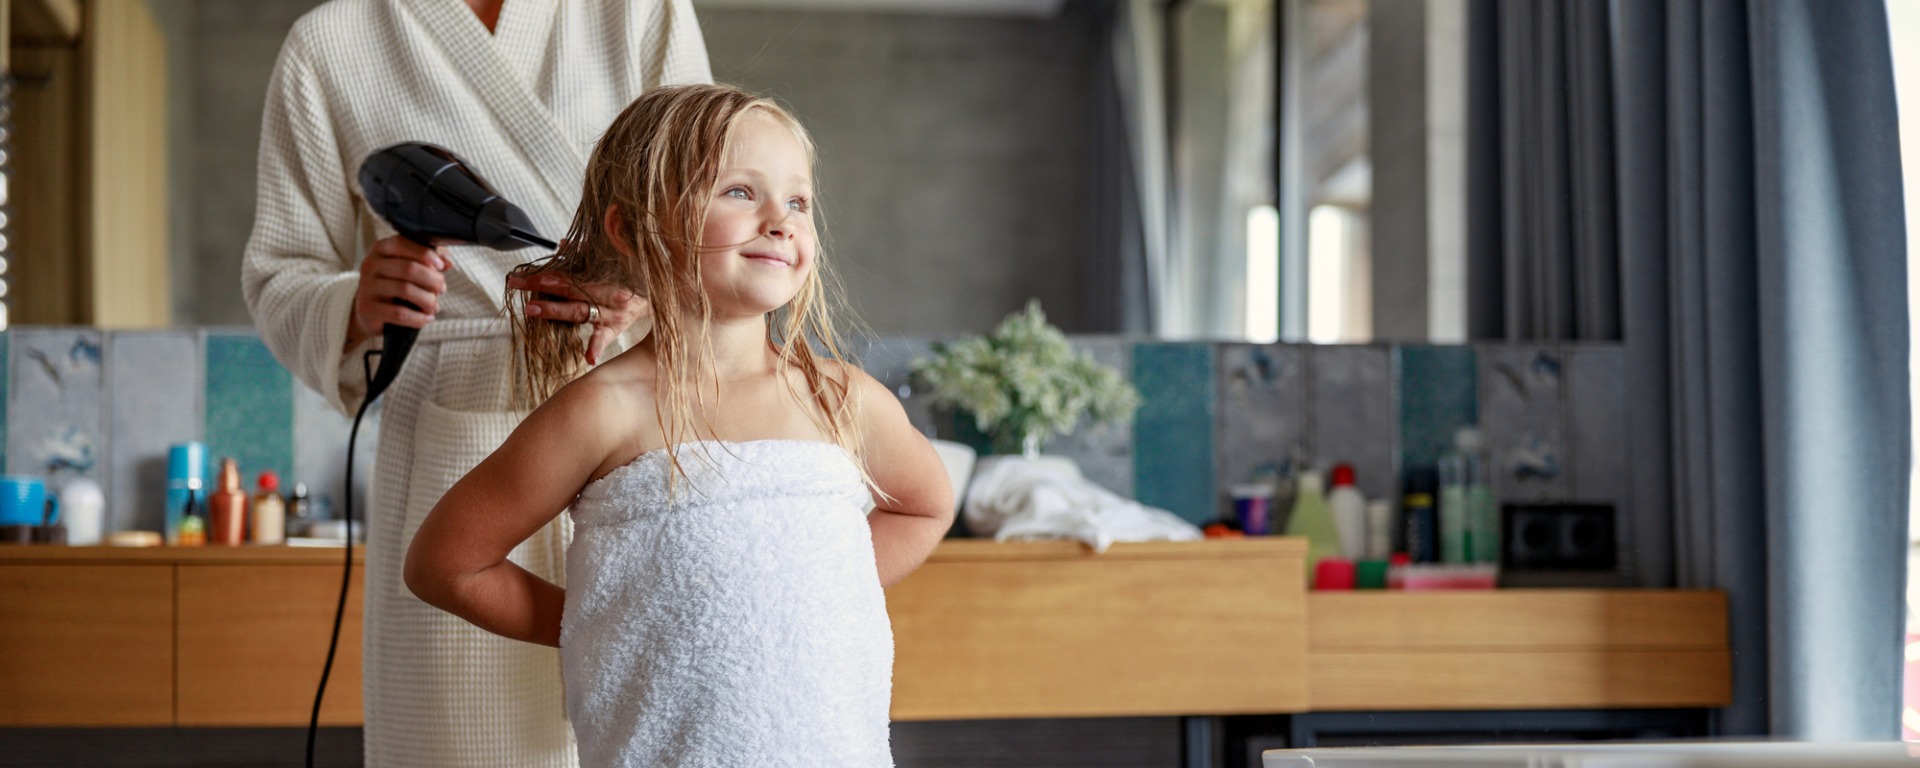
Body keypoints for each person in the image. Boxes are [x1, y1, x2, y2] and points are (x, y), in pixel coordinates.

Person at [403, 83, 955, 767]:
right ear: (632, 229)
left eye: (798, 200)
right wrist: (593, 626)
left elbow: (925, 506)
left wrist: (811, 596)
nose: (781, 219)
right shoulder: (604, 410)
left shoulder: (841, 399)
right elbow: (444, 564)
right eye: (739, 192)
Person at [240, 1, 710, 765]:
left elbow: (711, 207)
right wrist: (357, 299)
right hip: (452, 441)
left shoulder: (639, 11)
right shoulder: (333, 41)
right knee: (459, 736)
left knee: (650, 713)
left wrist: (641, 290)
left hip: (632, 415)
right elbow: (279, 272)